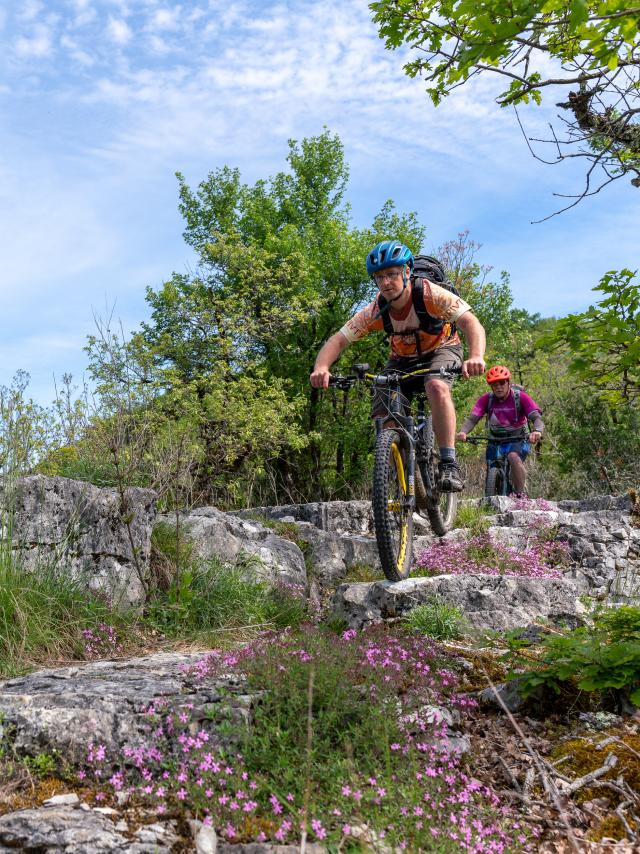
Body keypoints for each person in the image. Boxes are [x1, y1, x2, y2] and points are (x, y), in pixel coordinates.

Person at [310, 240, 486, 492]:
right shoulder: (376, 309)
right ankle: (401, 465)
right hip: (402, 360)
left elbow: (471, 324)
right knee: (383, 401)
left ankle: (448, 463)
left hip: (442, 349)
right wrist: (322, 368)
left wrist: (476, 356)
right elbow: (338, 340)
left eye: (392, 274)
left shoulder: (430, 294)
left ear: (406, 271)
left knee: (436, 386)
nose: (385, 282)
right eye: (379, 277)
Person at [456, 365, 544, 496]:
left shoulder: (521, 397)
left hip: (519, 438)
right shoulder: (487, 399)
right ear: (491, 386)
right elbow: (472, 419)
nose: (499, 387)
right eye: (494, 384)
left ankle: (520, 496)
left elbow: (536, 417)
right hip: (495, 439)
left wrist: (537, 431)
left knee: (513, 457)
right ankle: (491, 495)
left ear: (508, 382)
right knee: (491, 464)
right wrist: (463, 432)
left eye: (502, 383)